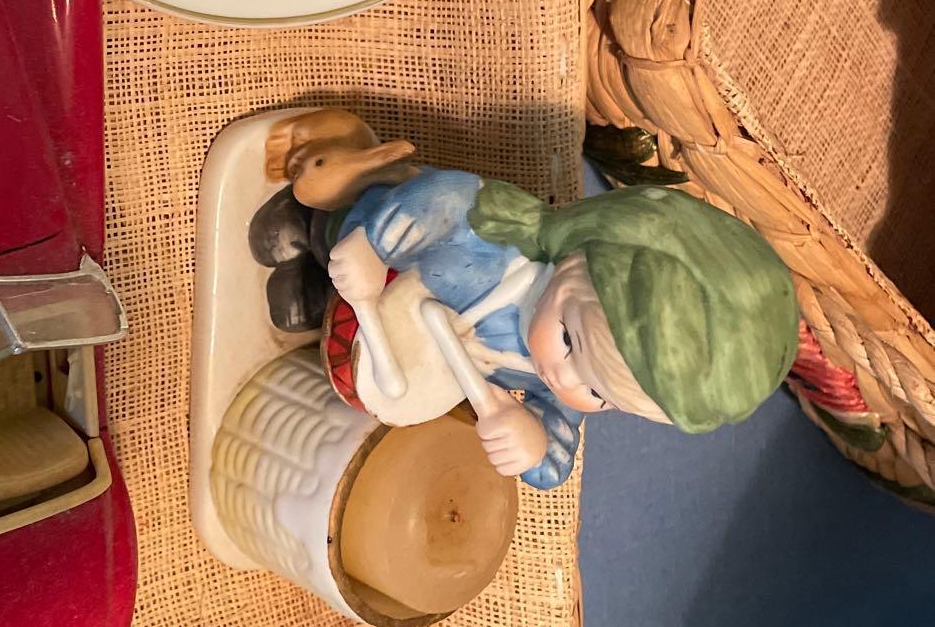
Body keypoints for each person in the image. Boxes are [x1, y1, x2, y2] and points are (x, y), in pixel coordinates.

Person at [257, 109, 800, 490]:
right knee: (330, 223)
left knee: (314, 326)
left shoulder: (553, 382)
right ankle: (315, 221)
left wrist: (535, 446)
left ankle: (313, 307)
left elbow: (558, 453)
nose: (562, 380)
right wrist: (372, 245)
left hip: (383, 339)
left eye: (598, 393)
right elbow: (445, 202)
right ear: (578, 263)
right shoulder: (499, 242)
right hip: (380, 259)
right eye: (568, 341)